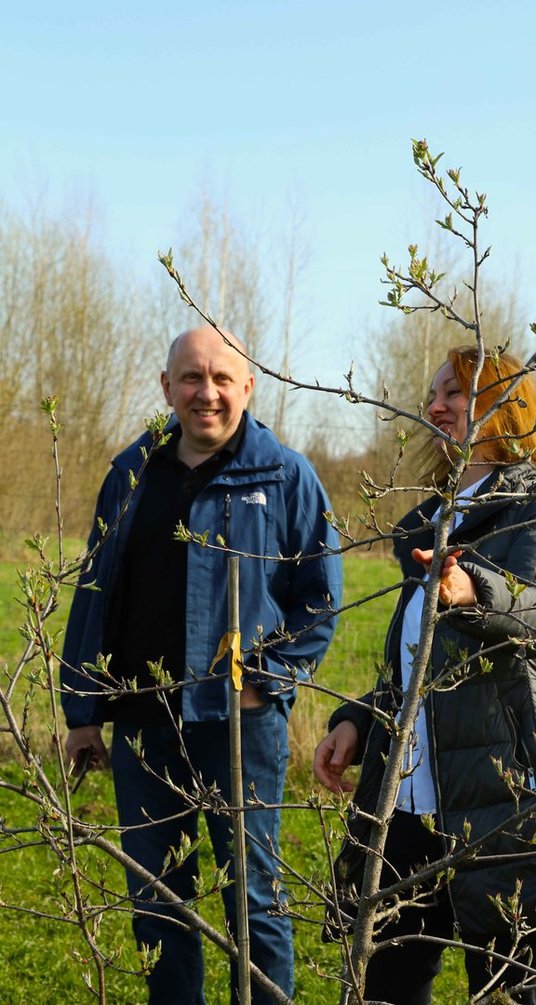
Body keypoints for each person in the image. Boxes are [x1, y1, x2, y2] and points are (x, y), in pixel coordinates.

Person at [314, 345, 536, 1005]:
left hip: (502, 804)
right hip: (409, 806)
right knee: (384, 987)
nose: (435, 405)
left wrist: (474, 588)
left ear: (507, 407)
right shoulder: (433, 516)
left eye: (455, 392)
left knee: (508, 992)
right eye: (434, 394)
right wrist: (359, 719)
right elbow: (423, 669)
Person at [61, 324, 343, 1005]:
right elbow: (95, 591)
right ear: (166, 387)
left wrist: (268, 685)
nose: (206, 392)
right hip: (142, 727)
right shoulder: (130, 473)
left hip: (238, 729)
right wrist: (81, 712)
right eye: (191, 377)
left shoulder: (284, 475)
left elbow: (321, 600)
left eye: (222, 378)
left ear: (248, 386)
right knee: (160, 902)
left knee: (255, 898)